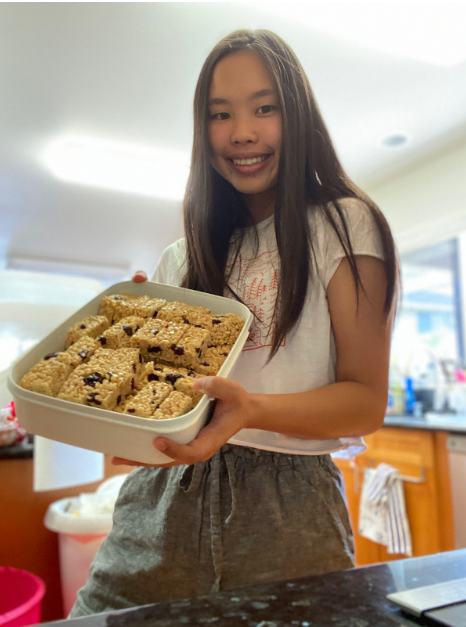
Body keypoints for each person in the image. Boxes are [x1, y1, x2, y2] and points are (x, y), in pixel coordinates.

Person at [70, 29, 400, 617]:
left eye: (264, 107)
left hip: (288, 504)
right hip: (162, 503)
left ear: (296, 114)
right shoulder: (183, 256)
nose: (242, 132)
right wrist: (128, 378)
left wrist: (250, 411)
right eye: (220, 115)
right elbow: (168, 407)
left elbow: (365, 402)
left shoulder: (343, 225)